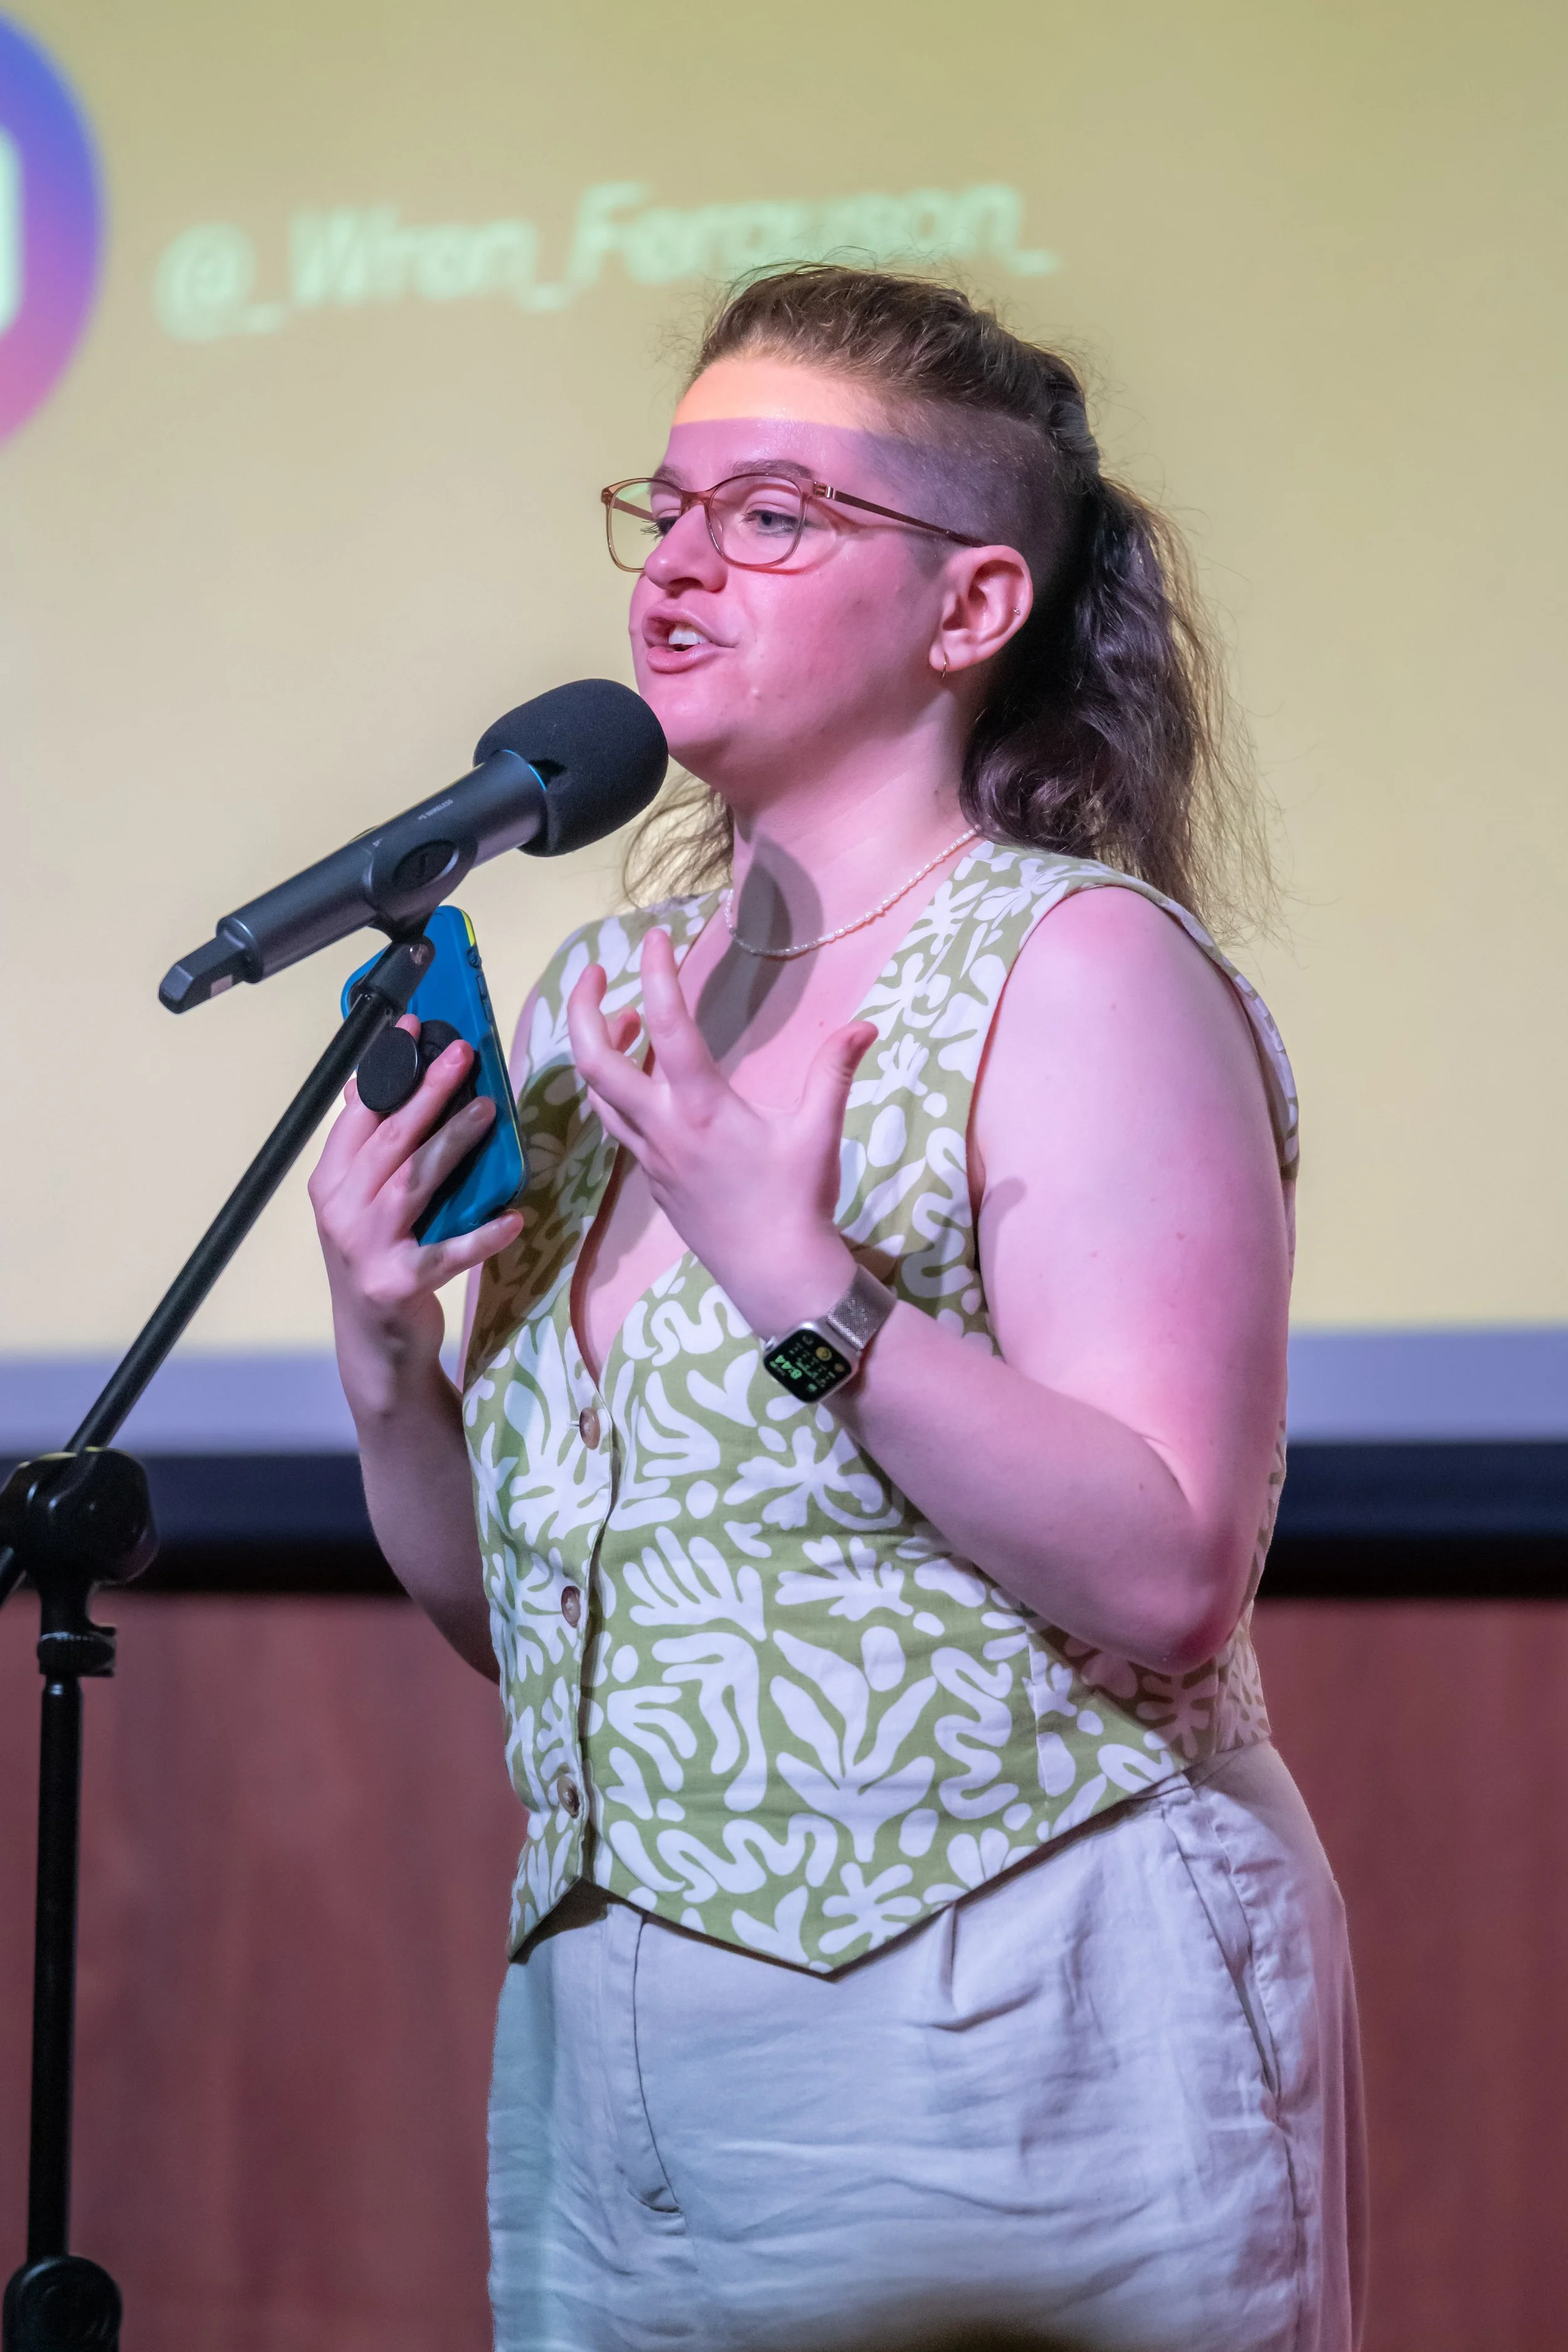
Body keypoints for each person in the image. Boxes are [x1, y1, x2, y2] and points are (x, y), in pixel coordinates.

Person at [309, 267, 1365, 2352]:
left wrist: (791, 1268)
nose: (682, 566)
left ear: (970, 609)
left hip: (1021, 1995)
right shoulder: (601, 1003)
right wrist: (383, 1364)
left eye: (775, 512)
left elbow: (1165, 1570)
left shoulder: (1076, 971)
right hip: (616, 2034)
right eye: (671, 506)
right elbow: (535, 1627)